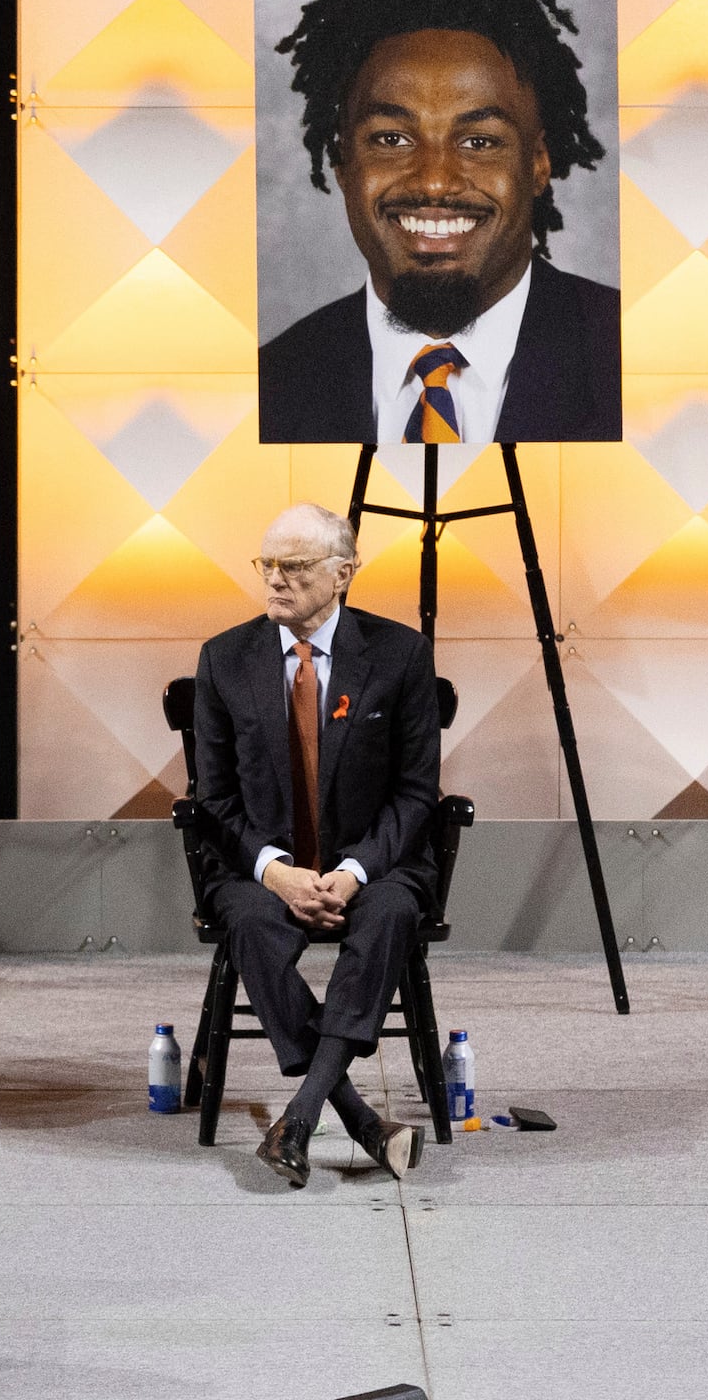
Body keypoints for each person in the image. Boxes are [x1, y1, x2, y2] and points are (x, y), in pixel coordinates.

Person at [256, 0, 621, 445]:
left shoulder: (640, 363)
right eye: (391, 139)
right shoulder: (269, 387)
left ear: (538, 163)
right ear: (343, 163)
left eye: (478, 141)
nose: (433, 182)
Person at [190, 504, 442, 1189]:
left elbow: (418, 794)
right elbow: (212, 802)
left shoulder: (401, 655)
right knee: (251, 925)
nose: (275, 579)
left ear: (342, 575)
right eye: (266, 564)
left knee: (390, 914)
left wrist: (354, 872)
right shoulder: (224, 659)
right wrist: (277, 875)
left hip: (373, 860)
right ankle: (357, 1118)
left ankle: (298, 1117)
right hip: (260, 864)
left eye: (294, 567)